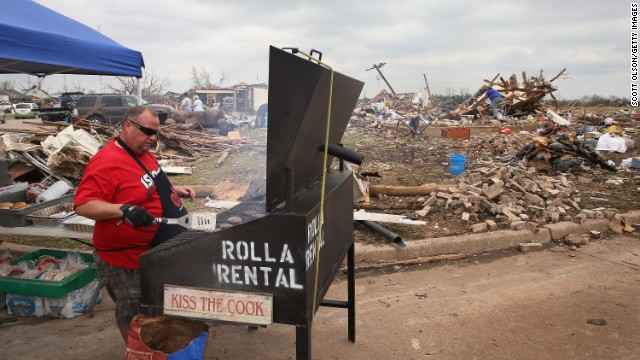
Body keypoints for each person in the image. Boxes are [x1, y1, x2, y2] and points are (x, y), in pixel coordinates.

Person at [73, 105, 195, 344]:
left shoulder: (142, 153)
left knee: (155, 313)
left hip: (154, 253)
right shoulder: (106, 162)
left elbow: (146, 185)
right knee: (136, 318)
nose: (152, 138)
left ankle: (155, 350)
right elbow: (83, 204)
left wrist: (173, 190)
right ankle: (139, 353)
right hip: (126, 260)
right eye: (147, 132)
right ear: (127, 126)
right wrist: (123, 209)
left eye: (155, 133)